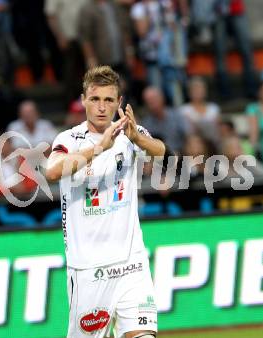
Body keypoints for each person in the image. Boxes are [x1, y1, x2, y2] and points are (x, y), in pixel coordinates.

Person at [46, 66, 166, 338]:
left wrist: (138, 139)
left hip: (131, 263)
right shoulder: (69, 139)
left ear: (119, 103)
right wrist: (99, 148)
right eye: (95, 99)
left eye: (109, 100)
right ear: (84, 100)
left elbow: (162, 152)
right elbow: (52, 171)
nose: (102, 107)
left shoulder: (130, 133)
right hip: (89, 269)